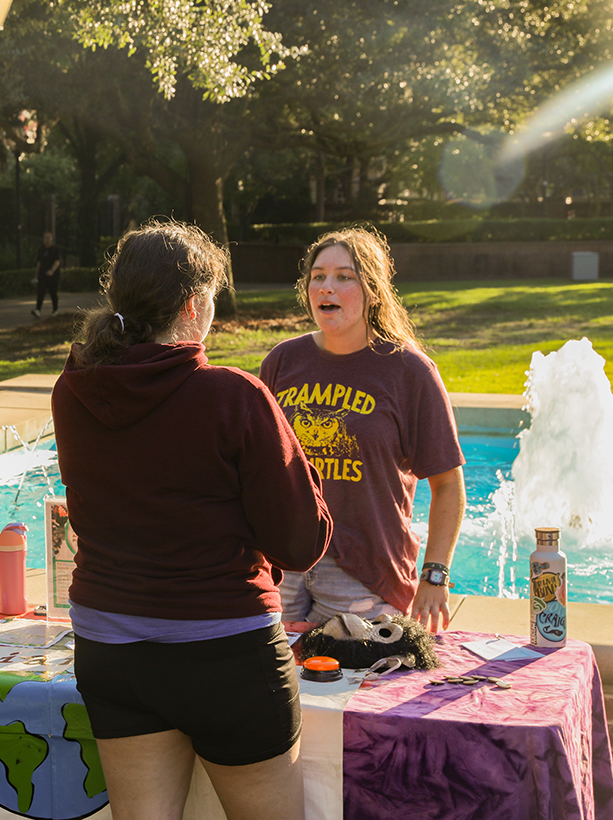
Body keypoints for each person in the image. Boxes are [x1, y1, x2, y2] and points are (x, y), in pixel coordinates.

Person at [51, 219, 332, 820]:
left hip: (109, 646)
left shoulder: (72, 389)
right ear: (195, 304)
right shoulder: (233, 396)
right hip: (225, 651)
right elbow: (301, 542)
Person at [259, 226, 466, 634]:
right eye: (317, 276)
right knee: (275, 688)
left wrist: (435, 575)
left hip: (364, 572)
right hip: (285, 564)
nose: (326, 287)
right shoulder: (282, 361)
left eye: (343, 276)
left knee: (356, 691)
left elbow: (448, 485)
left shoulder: (409, 371)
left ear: (372, 288)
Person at [31, 231, 63, 317]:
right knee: (40, 292)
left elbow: (57, 261)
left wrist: (52, 270)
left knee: (53, 292)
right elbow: (39, 262)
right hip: (42, 275)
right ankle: (37, 310)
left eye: (49, 237)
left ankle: (55, 310)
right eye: (45, 237)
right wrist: (36, 275)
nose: (47, 240)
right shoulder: (41, 249)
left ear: (51, 238)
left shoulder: (55, 249)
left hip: (53, 276)